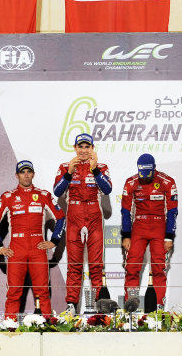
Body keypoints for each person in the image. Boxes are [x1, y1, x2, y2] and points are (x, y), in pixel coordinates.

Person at [0, 160, 66, 318]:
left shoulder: (44, 195)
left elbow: (61, 218)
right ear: (16, 175)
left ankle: (47, 326)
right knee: (14, 292)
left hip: (38, 248)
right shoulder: (8, 196)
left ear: (33, 174)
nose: (26, 175)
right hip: (17, 248)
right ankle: (10, 327)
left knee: (43, 291)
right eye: (22, 172)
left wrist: (54, 241)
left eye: (29, 172)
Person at [53, 133, 112, 313]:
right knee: (74, 264)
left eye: (87, 147)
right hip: (74, 216)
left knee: (96, 264)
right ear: (75, 148)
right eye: (81, 146)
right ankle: (71, 304)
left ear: (92, 148)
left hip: (94, 215)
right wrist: (70, 172)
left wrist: (95, 170)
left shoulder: (101, 166)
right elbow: (57, 191)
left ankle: (99, 304)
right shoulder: (65, 166)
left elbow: (108, 189)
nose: (84, 150)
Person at [121, 154, 178, 310]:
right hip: (139, 225)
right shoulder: (131, 182)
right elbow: (126, 211)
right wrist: (126, 235)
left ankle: (158, 305)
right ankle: (130, 305)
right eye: (142, 174)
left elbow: (172, 211)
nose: (144, 178)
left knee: (159, 268)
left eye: (148, 174)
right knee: (132, 267)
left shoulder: (167, 181)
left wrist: (169, 236)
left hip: (160, 225)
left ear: (154, 168)